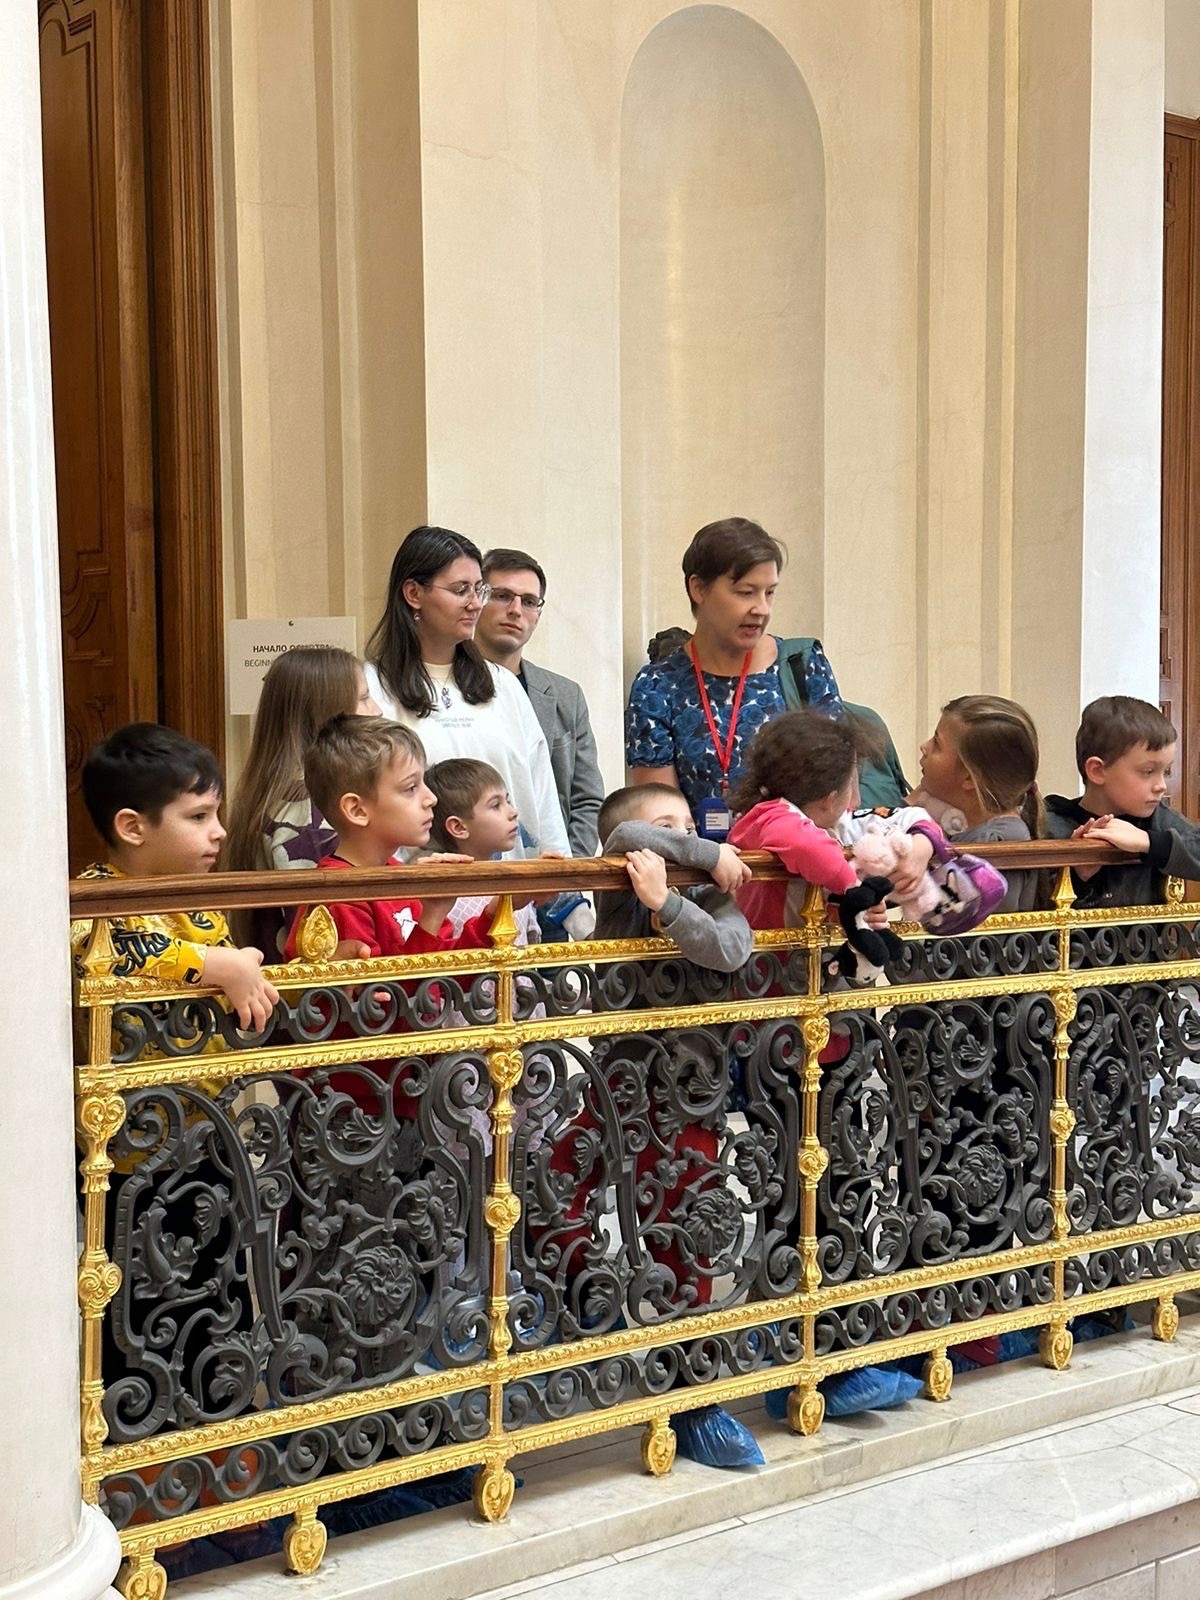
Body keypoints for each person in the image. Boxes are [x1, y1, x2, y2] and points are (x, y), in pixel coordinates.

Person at [535, 780, 763, 1468]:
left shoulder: (709, 894)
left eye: (692, 824)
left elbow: (728, 949)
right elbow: (628, 840)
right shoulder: (622, 872)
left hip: (687, 1092)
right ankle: (588, 1303)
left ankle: (692, 1390)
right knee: (555, 1189)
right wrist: (699, 853)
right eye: (672, 828)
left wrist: (671, 903)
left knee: (687, 1229)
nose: (687, 839)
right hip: (618, 1079)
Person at [624, 517, 908, 837]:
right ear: (698, 588)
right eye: (746, 592)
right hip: (701, 875)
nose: (761, 608)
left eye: (769, 593)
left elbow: (842, 796)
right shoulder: (657, 687)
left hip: (799, 870)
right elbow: (660, 819)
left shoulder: (803, 665)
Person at [363, 527, 569, 857]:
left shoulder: (502, 686)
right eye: (461, 590)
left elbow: (541, 792)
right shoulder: (371, 688)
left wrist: (559, 879)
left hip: (509, 893)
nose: (475, 604)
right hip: (417, 893)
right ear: (414, 593)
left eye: (479, 590)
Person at [71, 723, 278, 1030]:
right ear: (132, 827)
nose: (220, 832)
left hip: (218, 1076)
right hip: (131, 1077)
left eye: (217, 814)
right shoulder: (94, 895)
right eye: (198, 816)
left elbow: (241, 993)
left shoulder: (196, 898)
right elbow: (104, 950)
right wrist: (216, 964)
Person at [223, 645, 380, 951]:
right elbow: (322, 937)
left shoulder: (281, 794)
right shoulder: (308, 814)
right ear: (328, 711)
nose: (377, 710)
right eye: (363, 698)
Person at [476, 547, 605, 855]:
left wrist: (567, 870)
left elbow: (587, 799)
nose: (516, 610)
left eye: (529, 601)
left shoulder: (565, 695)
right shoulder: (446, 686)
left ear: (538, 614)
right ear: (477, 601)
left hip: (549, 868)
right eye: (502, 595)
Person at [1044, 696, 1200, 906]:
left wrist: (1149, 842)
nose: (1161, 785)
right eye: (1148, 772)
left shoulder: (1159, 819)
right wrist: (1077, 876)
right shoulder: (1052, 825)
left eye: (1166, 771)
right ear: (1098, 771)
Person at [911, 694, 1042, 912]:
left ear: (969, 779)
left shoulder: (997, 843)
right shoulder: (963, 826)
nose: (924, 747)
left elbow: (949, 922)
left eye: (937, 743)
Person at [424, 757, 540, 944]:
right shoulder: (440, 898)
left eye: (507, 801)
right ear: (458, 827)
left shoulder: (515, 881)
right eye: (496, 805)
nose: (513, 812)